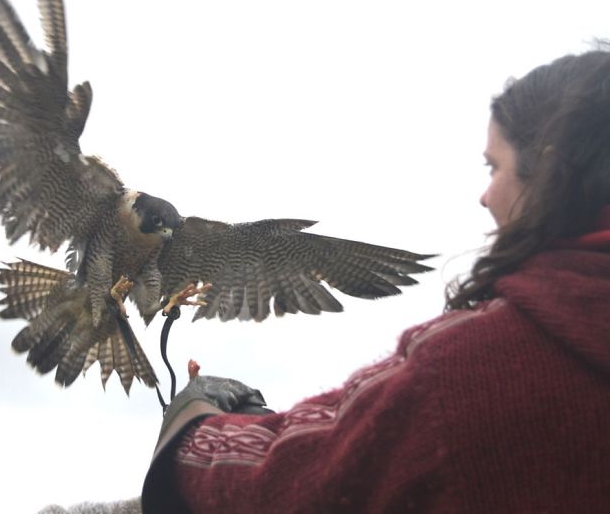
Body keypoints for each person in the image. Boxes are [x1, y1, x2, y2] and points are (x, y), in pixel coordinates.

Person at [141, 48, 610, 513]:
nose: (485, 196)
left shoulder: (475, 367)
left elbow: (303, 477)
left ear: (549, 174)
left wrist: (195, 425)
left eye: (494, 167)